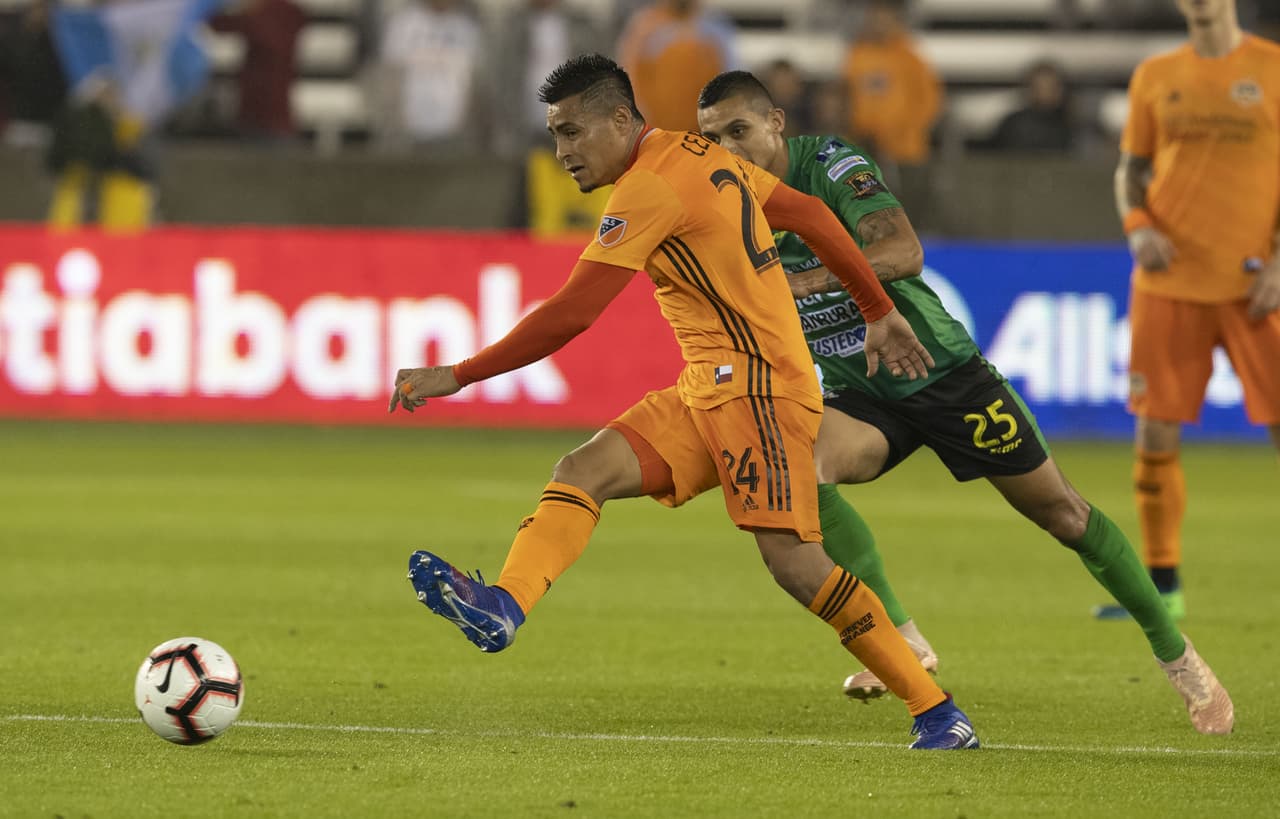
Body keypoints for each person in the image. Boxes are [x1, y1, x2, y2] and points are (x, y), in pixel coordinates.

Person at [390, 53, 979, 750]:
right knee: (583, 470)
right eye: (554, 135)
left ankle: (937, 709)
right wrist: (875, 307)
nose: (563, 152)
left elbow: (574, 312)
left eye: (574, 132)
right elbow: (812, 213)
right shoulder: (697, 154)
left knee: (794, 562)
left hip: (759, 387)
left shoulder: (649, 188)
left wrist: (457, 373)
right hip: (710, 386)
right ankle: (504, 605)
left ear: (620, 119)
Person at [694, 69, 1234, 735]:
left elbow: (903, 249)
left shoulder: (830, 164)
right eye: (712, 139)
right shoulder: (722, 201)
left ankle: (1177, 655)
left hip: (940, 371)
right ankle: (903, 636)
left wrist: (800, 283)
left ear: (777, 122)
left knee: (1063, 514)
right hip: (860, 389)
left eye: (739, 131)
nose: (728, 150)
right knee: (798, 468)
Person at [1099, 0, 1280, 622]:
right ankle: (1163, 589)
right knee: (1154, 432)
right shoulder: (1155, 74)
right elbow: (1131, 171)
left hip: (1256, 284)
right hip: (1168, 281)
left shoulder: (1273, 68)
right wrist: (1137, 224)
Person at [615, 0, 736, 132]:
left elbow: (730, 76)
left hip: (700, 129)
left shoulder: (715, 27)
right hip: (659, 129)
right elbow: (628, 73)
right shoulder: (645, 27)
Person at [209, 0, 305, 142]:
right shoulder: (255, 13)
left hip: (274, 115)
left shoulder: (286, 12)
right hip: (251, 111)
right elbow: (218, 24)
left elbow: (271, 43)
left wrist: (251, 13)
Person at [987, 60, 1078, 154]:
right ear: (1030, 89)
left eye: (1051, 88)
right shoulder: (1013, 125)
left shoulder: (1073, 127)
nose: (1045, 94)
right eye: (1040, 87)